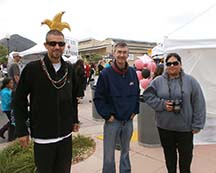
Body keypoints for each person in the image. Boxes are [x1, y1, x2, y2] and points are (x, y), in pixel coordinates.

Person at [14, 29, 79, 173]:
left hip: (65, 136)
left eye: (60, 44)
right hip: (43, 137)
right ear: (46, 45)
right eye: (53, 43)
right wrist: (21, 130)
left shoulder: (69, 68)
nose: (57, 47)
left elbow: (72, 98)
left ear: (64, 46)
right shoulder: (32, 69)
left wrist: (75, 119)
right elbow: (19, 101)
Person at [143, 52, 206, 173]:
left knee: (185, 161)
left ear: (180, 64)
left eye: (175, 63)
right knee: (170, 159)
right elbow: (148, 95)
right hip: (165, 127)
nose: (172, 66)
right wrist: (162, 104)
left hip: (185, 129)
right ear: (166, 65)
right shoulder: (158, 81)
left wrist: (197, 124)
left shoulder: (191, 81)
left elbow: (199, 103)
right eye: (169, 63)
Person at [93, 42, 140, 173]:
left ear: (127, 54)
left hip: (128, 121)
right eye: (119, 52)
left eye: (124, 52)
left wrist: (135, 110)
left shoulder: (132, 72)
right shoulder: (105, 74)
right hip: (112, 122)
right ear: (114, 53)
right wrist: (108, 116)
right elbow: (98, 98)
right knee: (109, 156)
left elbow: (137, 93)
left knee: (125, 153)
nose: (121, 55)